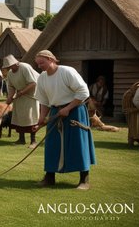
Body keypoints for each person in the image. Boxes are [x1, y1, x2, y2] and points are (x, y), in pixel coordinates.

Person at [32, 50, 96, 190]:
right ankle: (49, 178)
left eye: (42, 63)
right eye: (38, 64)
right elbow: (44, 100)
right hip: (56, 111)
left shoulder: (67, 71)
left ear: (51, 59)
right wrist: (41, 118)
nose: (40, 66)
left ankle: (84, 180)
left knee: (77, 144)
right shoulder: (42, 78)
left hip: (75, 111)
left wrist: (68, 108)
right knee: (52, 145)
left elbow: (83, 92)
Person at [3, 54, 40, 148]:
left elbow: (33, 83)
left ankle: (33, 141)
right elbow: (11, 86)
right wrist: (10, 97)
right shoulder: (10, 73)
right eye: (8, 67)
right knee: (19, 117)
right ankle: (21, 139)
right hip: (19, 97)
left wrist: (22, 92)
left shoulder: (25, 67)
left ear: (16, 63)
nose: (10, 68)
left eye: (11, 66)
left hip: (31, 96)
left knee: (31, 117)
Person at [123, 80, 139, 146]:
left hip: (136, 102)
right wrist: (135, 109)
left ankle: (136, 138)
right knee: (134, 120)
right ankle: (132, 139)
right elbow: (136, 101)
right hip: (130, 100)